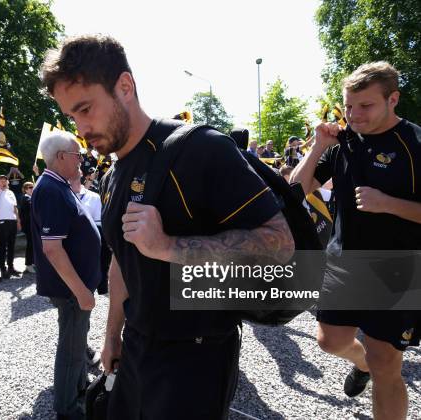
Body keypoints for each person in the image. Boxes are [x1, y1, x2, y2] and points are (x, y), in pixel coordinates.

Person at [41, 35, 294, 420]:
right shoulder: (113, 175)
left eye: (86, 109)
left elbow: (280, 243)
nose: (81, 127)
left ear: (124, 86)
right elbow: (122, 261)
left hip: (196, 357)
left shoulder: (201, 148)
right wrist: (112, 337)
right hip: (137, 349)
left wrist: (168, 246)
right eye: (73, 116)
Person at [290, 61, 421, 420]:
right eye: (349, 105)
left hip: (399, 268)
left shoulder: (414, 143)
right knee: (328, 341)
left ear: (392, 99)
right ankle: (361, 364)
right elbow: (295, 192)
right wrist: (317, 147)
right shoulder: (343, 142)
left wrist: (389, 205)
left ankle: (374, 368)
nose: (353, 114)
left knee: (386, 365)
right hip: (343, 262)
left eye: (365, 106)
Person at [31, 131, 101, 420]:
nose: (82, 161)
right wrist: (82, 291)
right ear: (61, 157)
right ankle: (68, 408)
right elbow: (53, 249)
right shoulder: (50, 189)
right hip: (71, 289)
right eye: (77, 155)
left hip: (75, 286)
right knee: (71, 349)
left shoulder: (57, 186)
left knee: (76, 340)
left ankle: (79, 386)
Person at [0, 174, 22, 279]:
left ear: (8, 182)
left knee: (12, 246)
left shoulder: (10, 192)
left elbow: (15, 208)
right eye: (1, 180)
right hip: (2, 221)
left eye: (5, 180)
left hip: (12, 221)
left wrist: (18, 220)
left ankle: (11, 267)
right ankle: (3, 269)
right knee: (2, 247)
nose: (3, 182)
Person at [18, 181, 35, 273]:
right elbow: (31, 205)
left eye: (33, 187)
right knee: (30, 244)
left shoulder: (31, 198)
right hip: (28, 225)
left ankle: (32, 262)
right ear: (25, 190)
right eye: (30, 187)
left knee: (33, 244)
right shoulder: (25, 198)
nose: (32, 189)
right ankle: (28, 264)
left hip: (32, 225)